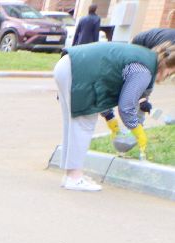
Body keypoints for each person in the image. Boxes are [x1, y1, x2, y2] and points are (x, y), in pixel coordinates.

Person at [54, 39, 175, 190]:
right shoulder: (144, 71)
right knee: (83, 125)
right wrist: (136, 129)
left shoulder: (144, 57)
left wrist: (110, 117)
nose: (168, 77)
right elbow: (127, 105)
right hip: (77, 71)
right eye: (171, 73)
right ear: (168, 67)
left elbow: (106, 84)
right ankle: (74, 177)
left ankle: (70, 175)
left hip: (70, 65)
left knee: (73, 124)